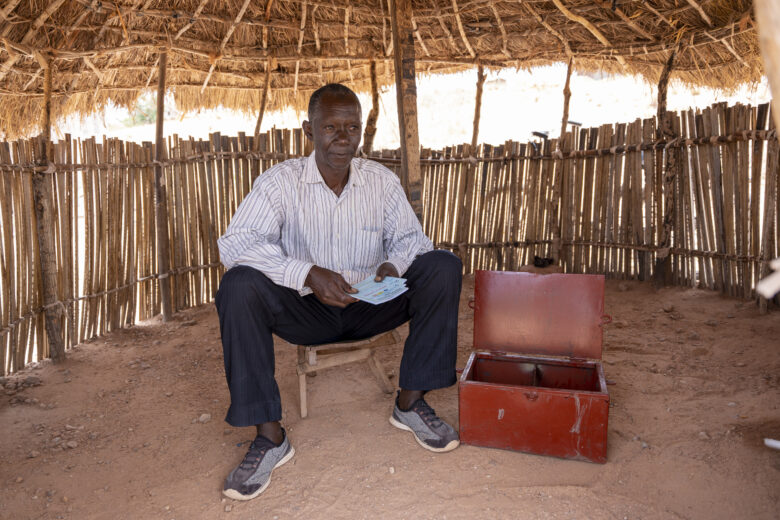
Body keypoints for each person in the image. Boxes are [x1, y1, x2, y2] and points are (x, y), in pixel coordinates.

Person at [215, 83, 462, 501]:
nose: (343, 138)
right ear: (309, 132)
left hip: (370, 303)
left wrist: (390, 267)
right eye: (330, 127)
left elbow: (411, 240)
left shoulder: (380, 182)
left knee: (442, 266)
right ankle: (270, 437)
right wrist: (306, 273)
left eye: (351, 127)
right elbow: (235, 244)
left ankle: (410, 402)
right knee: (238, 285)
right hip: (304, 311)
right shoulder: (280, 183)